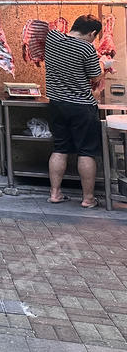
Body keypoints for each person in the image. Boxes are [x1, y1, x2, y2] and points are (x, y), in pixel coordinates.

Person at [45, 14, 104, 208]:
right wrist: (104, 65)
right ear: (92, 33)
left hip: (57, 104)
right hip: (82, 107)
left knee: (60, 148)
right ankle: (88, 199)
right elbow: (95, 77)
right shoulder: (87, 48)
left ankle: (55, 193)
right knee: (86, 152)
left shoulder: (53, 38)